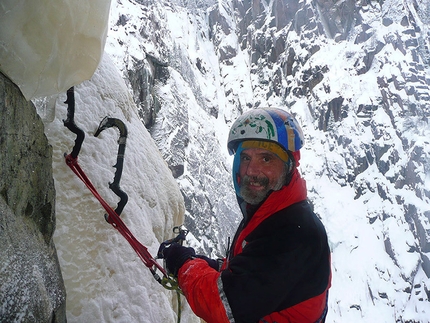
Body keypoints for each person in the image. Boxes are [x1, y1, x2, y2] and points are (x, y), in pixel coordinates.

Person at [158, 108, 331, 323]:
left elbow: (222, 305)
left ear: (289, 166)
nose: (251, 170)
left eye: (266, 159)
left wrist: (182, 263)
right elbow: (256, 272)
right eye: (246, 157)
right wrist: (211, 267)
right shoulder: (271, 213)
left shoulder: (294, 234)